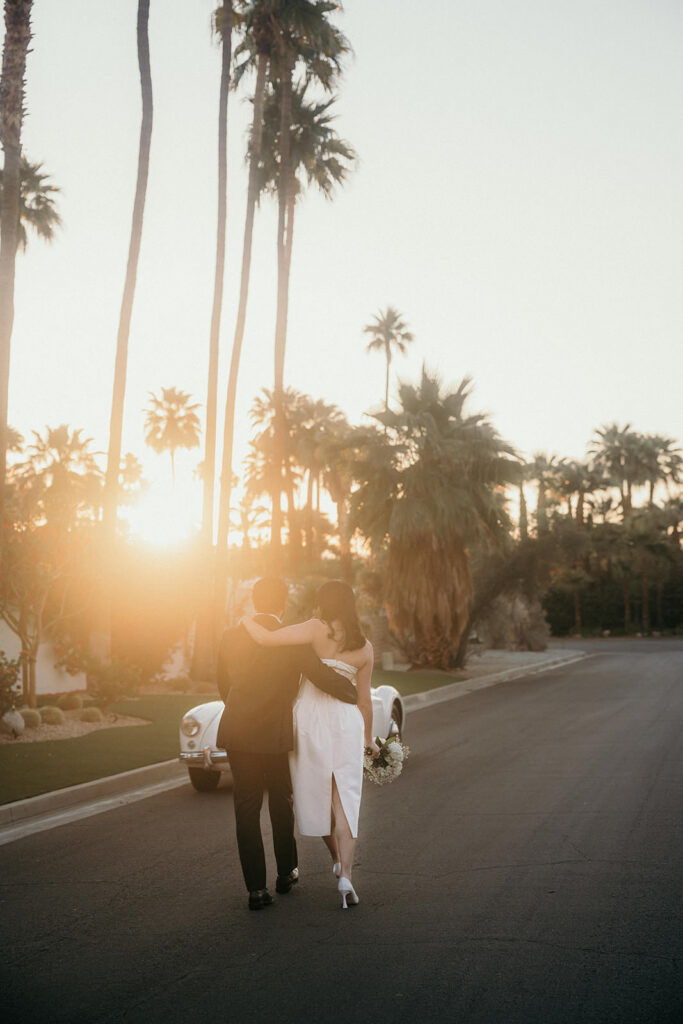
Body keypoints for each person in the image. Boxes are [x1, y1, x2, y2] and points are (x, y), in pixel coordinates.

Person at [216, 577, 358, 911]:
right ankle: (285, 874)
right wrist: (352, 690)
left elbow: (223, 684)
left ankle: (255, 890)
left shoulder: (231, 636)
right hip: (276, 735)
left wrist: (242, 713)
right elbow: (319, 675)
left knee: (246, 809)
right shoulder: (292, 640)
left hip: (238, 731)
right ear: (282, 604)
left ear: (254, 600)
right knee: (281, 802)